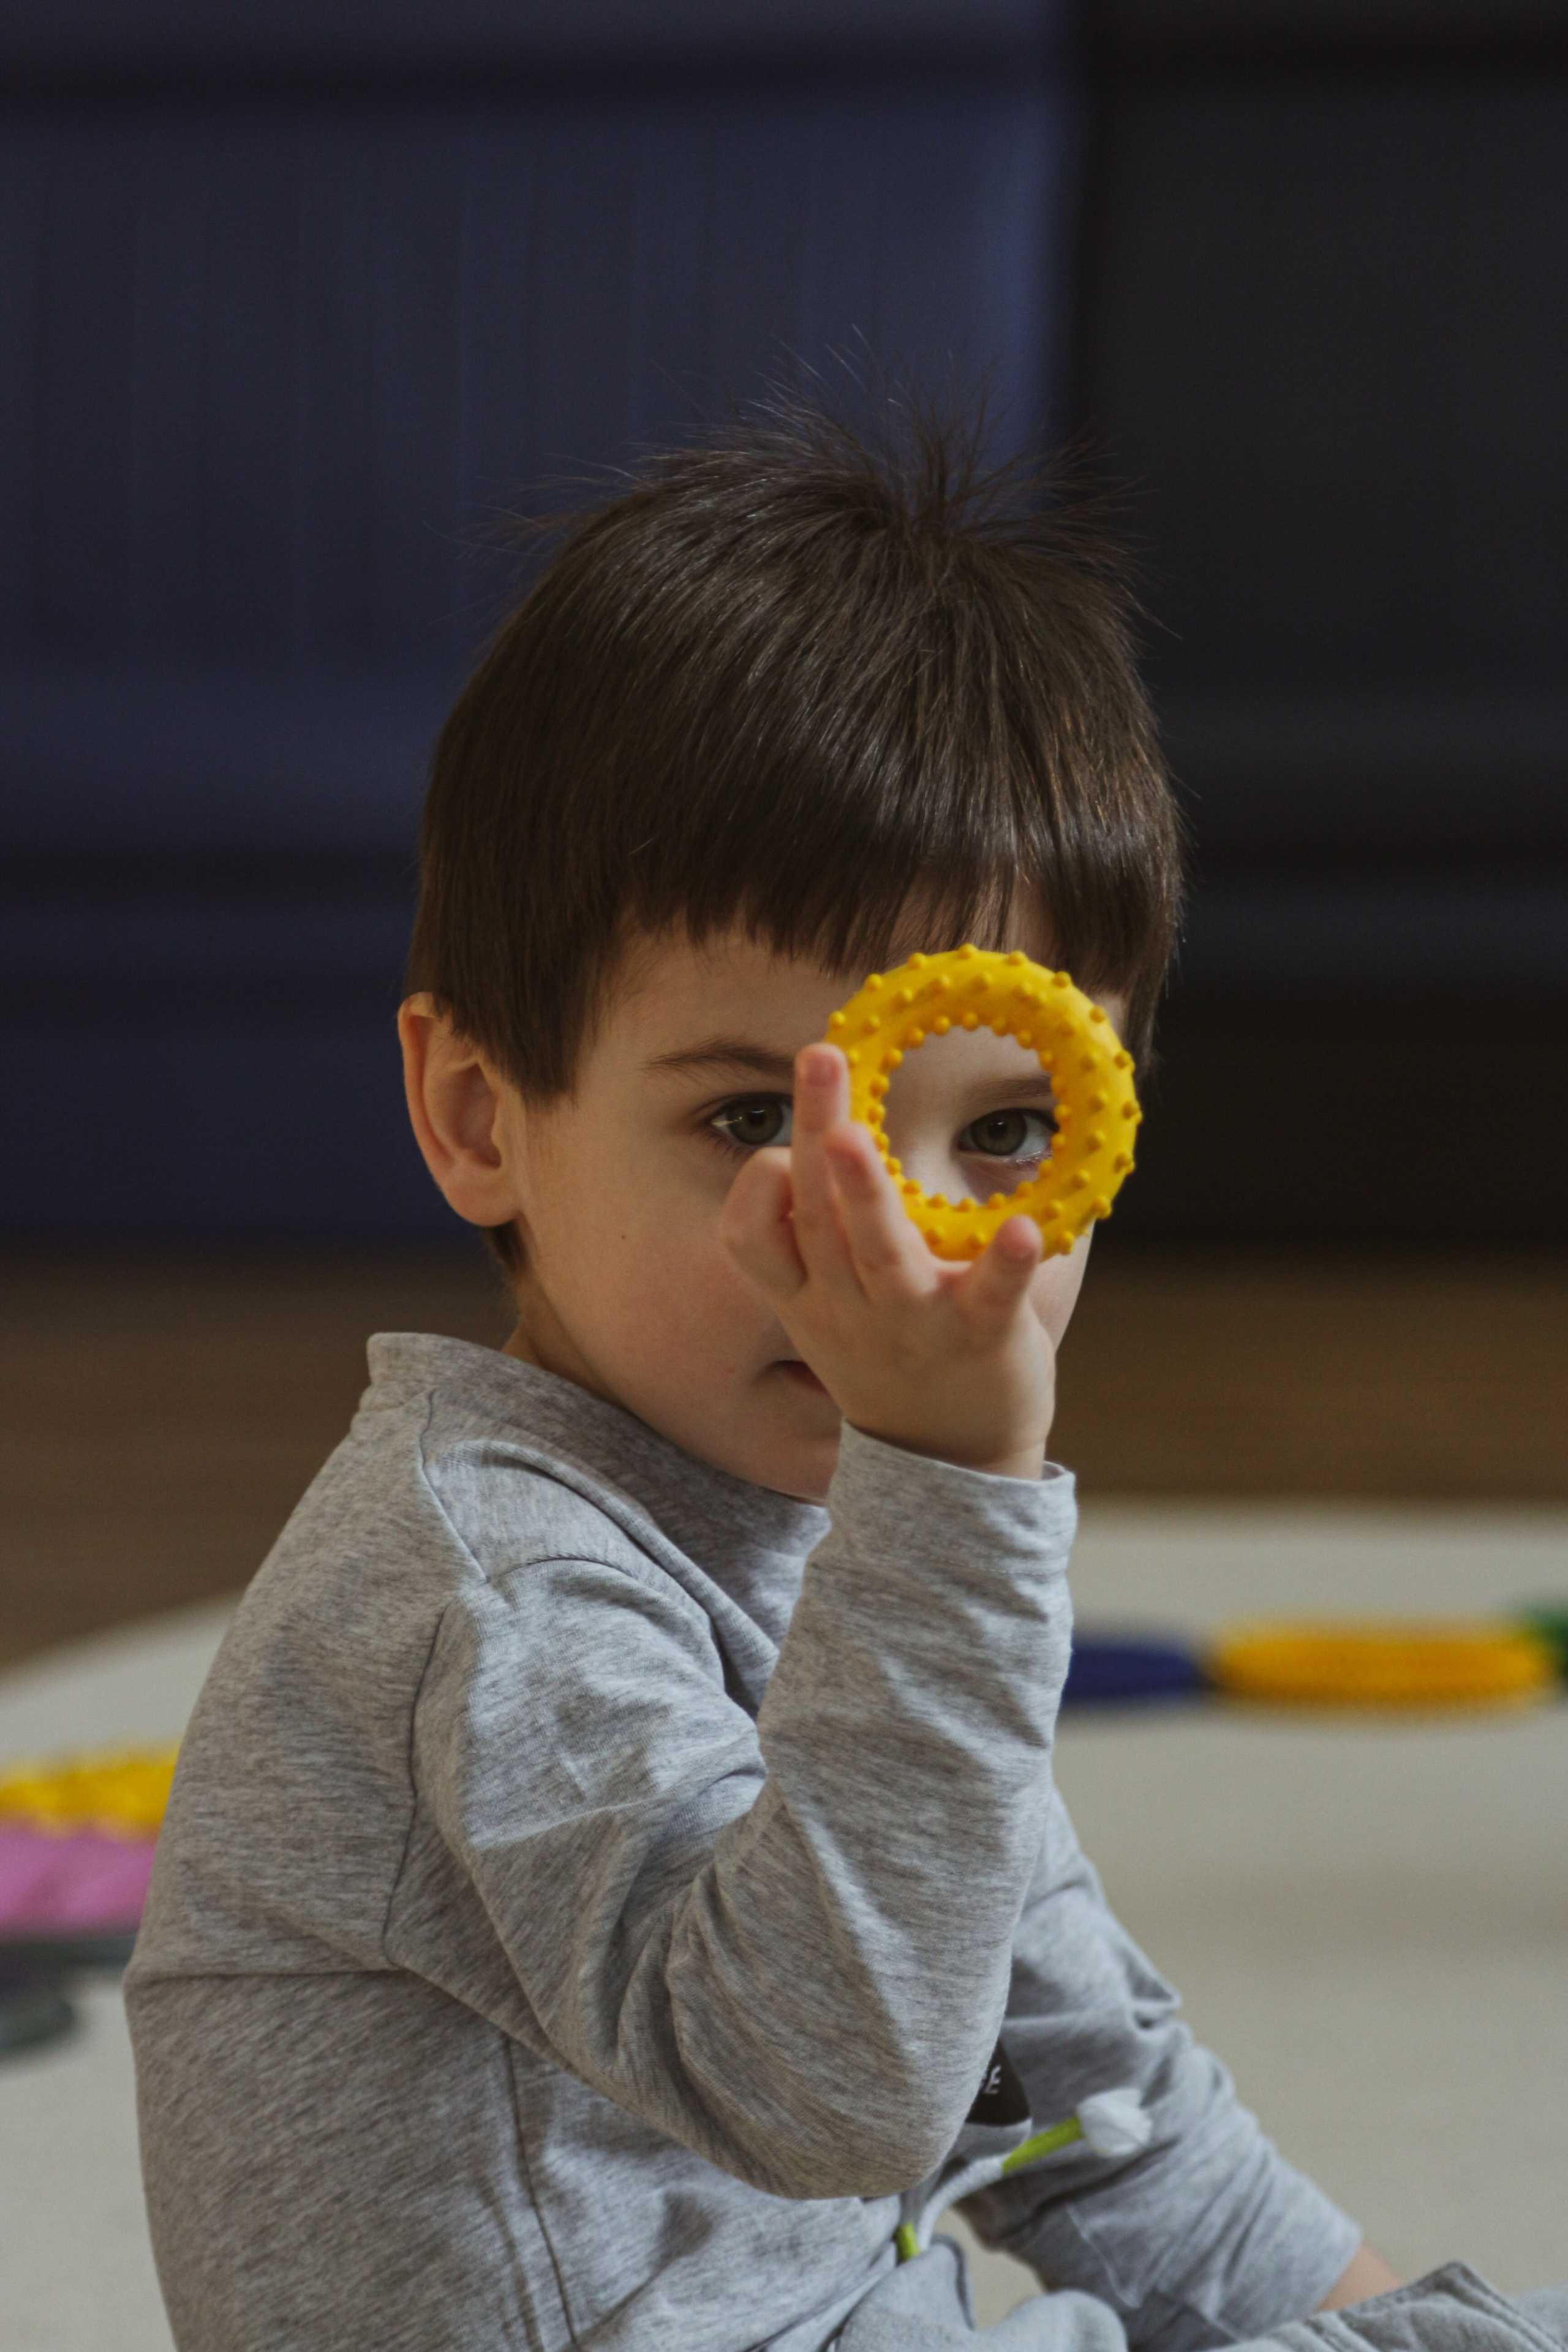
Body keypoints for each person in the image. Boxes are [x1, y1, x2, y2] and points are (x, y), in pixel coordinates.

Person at [126, 406, 1562, 2352]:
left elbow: (1088, 2103)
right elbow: (835, 2088)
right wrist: (951, 1512)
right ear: (480, 1116)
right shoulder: (490, 1602)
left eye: (1004, 1135)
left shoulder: (857, 1553)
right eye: (750, 1117)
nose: (896, 1241)